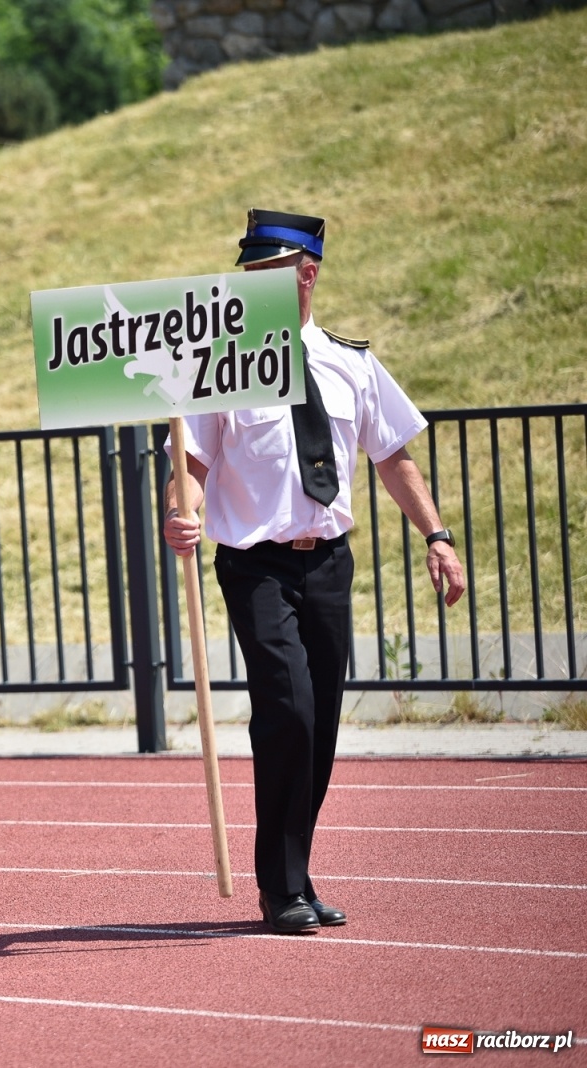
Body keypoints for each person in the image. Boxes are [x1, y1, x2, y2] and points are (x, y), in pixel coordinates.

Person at [163, 210, 467, 934]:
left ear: (307, 273)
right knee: (289, 710)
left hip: (328, 561)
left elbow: (393, 456)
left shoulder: (349, 361)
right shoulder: (220, 365)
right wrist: (181, 511)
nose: (254, 283)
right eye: (249, 272)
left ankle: (296, 875)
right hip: (254, 565)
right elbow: (191, 467)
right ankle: (279, 887)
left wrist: (438, 535)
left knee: (321, 721)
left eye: (269, 271)